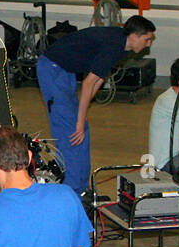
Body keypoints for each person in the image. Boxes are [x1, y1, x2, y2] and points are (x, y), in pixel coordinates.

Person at [37, 15, 156, 194]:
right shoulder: (114, 45)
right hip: (52, 68)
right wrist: (78, 121)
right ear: (135, 36)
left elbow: (100, 77)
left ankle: (82, 187)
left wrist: (81, 118)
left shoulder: (122, 46)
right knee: (71, 130)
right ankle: (70, 192)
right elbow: (87, 83)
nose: (148, 44)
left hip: (66, 70)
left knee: (81, 130)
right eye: (147, 40)